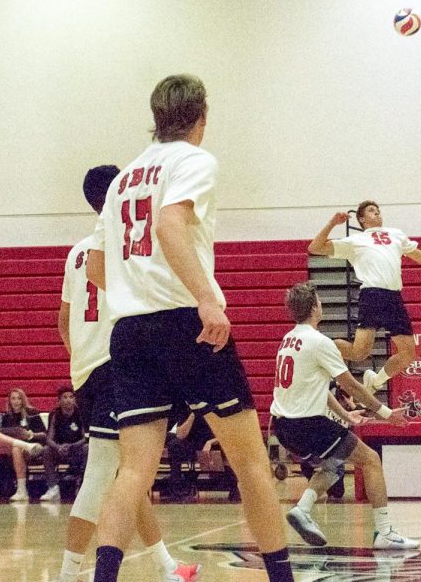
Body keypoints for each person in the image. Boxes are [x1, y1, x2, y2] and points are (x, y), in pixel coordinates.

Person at [86, 74, 294, 581]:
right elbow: (170, 225)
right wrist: (206, 299)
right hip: (188, 324)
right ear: (201, 117)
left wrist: (139, 290)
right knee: (250, 463)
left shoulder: (122, 180)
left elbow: (95, 266)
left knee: (133, 470)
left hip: (130, 331)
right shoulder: (194, 160)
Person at [57, 165, 200, 582]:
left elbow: (63, 321)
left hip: (86, 373)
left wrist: (81, 360)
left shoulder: (78, 250)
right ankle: (67, 576)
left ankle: (167, 567)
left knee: (128, 475)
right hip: (115, 369)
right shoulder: (127, 244)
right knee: (102, 477)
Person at [271, 282, 416, 549]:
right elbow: (351, 385)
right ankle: (385, 532)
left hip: (282, 426)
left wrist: (347, 417)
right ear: (315, 307)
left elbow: (319, 388)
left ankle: (302, 510)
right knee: (371, 460)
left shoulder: (288, 339)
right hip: (307, 425)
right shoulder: (319, 342)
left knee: (334, 466)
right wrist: (384, 412)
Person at [308, 203, 421, 391]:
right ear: (361, 219)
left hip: (394, 298)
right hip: (371, 295)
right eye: (371, 210)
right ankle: (323, 347)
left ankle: (376, 382)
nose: (377, 212)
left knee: (408, 354)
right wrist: (332, 223)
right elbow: (315, 247)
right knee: (359, 353)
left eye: (378, 209)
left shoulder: (396, 234)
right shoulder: (355, 240)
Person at [0, 388, 46, 502]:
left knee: (16, 448)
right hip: (17, 448)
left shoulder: (32, 413)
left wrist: (31, 435)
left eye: (19, 398)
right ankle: (22, 492)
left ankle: (22, 490)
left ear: (23, 400)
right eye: (13, 398)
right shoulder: (6, 417)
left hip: (34, 447)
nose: (16, 401)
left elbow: (44, 435)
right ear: (9, 401)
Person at [39, 386, 87, 502]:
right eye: (65, 397)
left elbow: (85, 438)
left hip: (76, 448)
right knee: (46, 450)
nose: (68, 400)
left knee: (88, 448)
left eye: (71, 397)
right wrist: (58, 447)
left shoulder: (80, 413)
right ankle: (53, 488)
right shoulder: (54, 415)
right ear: (59, 400)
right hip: (59, 450)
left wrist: (72, 446)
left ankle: (83, 485)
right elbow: (49, 439)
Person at [162, 410, 214, 502]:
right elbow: (181, 435)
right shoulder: (187, 410)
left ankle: (181, 486)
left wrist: (210, 442)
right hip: (190, 444)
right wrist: (193, 414)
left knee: (174, 444)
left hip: (208, 444)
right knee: (172, 442)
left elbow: (229, 432)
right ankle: (176, 486)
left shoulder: (212, 406)